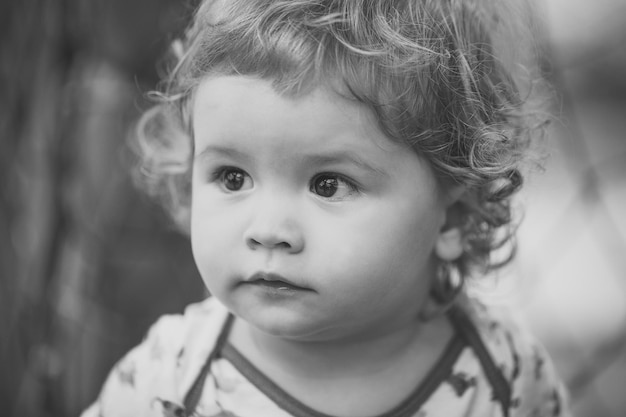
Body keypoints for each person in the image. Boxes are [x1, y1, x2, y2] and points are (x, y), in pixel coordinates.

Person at [82, 0, 570, 416]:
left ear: (455, 217)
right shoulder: (165, 382)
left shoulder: (506, 378)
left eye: (329, 184)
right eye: (233, 177)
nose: (269, 231)